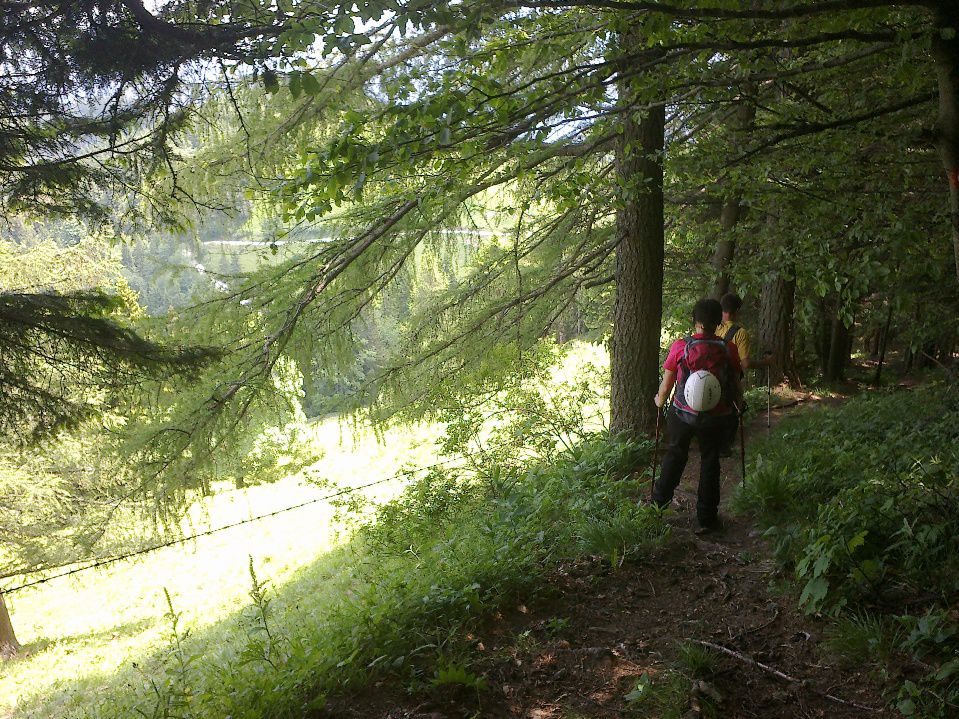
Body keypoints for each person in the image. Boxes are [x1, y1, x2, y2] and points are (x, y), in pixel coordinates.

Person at [652, 298, 743, 534]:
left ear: (696, 321)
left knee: (675, 454)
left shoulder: (681, 346)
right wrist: (740, 405)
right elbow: (734, 381)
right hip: (716, 416)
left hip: (682, 413)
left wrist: (660, 401)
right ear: (717, 321)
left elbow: (668, 383)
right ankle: (706, 519)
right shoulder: (728, 348)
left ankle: (658, 506)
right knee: (710, 461)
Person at [716, 293, 775, 455]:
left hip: (710, 377)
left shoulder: (713, 326)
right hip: (730, 378)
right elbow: (746, 363)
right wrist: (765, 363)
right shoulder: (740, 333)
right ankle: (725, 447)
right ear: (736, 311)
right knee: (733, 409)